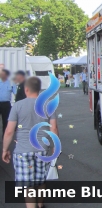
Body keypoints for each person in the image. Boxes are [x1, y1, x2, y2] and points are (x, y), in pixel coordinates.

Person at [2, 77, 58, 208]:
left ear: (26, 89)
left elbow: (9, 131)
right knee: (41, 179)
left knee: (29, 185)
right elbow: (53, 128)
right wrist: (55, 147)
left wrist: (5, 149)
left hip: (23, 151)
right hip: (42, 149)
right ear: (39, 89)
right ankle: (40, 205)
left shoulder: (17, 105)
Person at [0, 69, 15, 137]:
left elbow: (16, 93)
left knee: (5, 121)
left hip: (6, 104)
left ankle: (4, 137)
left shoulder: (11, 83)